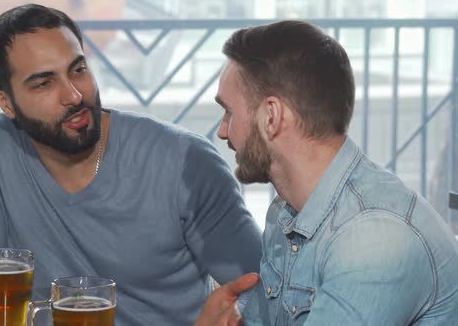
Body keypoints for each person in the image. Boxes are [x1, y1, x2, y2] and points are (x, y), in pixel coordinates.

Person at [0, 3, 264, 326]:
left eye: (78, 69)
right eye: (44, 83)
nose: (74, 95)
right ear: (7, 103)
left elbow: (266, 294)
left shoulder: (183, 160)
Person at [195, 20, 458, 325]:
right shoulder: (285, 212)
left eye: (229, 111)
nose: (223, 131)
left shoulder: (373, 240)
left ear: (272, 116)